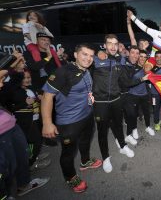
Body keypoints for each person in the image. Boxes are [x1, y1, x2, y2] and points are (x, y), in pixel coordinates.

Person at [41, 43, 102, 193]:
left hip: (87, 116)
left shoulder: (87, 70)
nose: (88, 59)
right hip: (68, 122)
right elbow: (47, 97)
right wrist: (47, 123)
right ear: (75, 55)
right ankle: (70, 177)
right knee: (68, 152)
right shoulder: (63, 71)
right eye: (84, 54)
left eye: (91, 56)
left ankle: (85, 161)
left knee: (86, 140)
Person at [92, 35, 148, 174]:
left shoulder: (119, 61)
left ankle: (123, 146)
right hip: (100, 103)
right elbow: (84, 55)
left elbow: (125, 82)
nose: (112, 46)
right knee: (102, 132)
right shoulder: (96, 59)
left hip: (116, 100)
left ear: (118, 46)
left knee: (118, 125)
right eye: (109, 43)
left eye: (115, 44)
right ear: (104, 45)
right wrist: (97, 51)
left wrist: (142, 79)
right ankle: (105, 157)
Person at [0, 52, 49, 199]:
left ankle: (23, 184)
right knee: (6, 168)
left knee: (21, 156)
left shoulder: (13, 83)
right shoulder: (13, 89)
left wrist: (16, 66)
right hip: (4, 132)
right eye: (1, 78)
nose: (2, 83)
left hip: (11, 125)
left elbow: (13, 79)